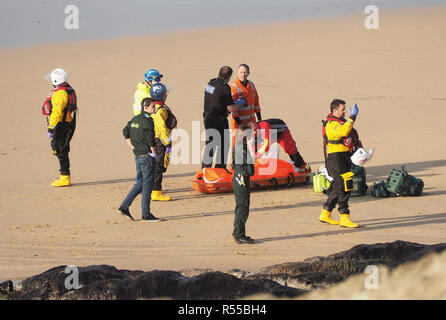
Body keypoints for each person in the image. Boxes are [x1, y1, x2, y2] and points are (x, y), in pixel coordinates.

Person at [319, 99, 360, 228]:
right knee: (344, 186)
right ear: (334, 110)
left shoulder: (340, 122)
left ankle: (325, 213)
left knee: (337, 188)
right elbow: (343, 132)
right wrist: (352, 117)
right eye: (342, 109)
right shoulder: (331, 124)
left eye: (345, 109)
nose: (344, 112)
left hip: (343, 157)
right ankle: (344, 216)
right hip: (335, 159)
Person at [119, 97, 159, 221]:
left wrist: (132, 147)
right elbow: (150, 139)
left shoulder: (135, 118)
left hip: (138, 155)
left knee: (141, 182)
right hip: (146, 156)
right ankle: (146, 214)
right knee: (147, 184)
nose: (154, 108)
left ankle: (124, 206)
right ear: (145, 107)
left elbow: (125, 132)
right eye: (153, 106)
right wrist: (154, 153)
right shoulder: (148, 121)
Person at [42, 68, 77, 187]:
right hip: (67, 123)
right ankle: (64, 175)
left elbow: (57, 112)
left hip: (61, 125)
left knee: (60, 150)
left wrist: (51, 128)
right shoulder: (67, 89)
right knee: (60, 149)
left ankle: (65, 177)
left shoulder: (60, 94)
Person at [202, 66, 240, 169]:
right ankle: (220, 169)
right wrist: (240, 104)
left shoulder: (210, 83)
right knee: (224, 145)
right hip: (219, 120)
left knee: (210, 146)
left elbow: (215, 98)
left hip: (207, 118)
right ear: (229, 76)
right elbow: (231, 108)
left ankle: (205, 169)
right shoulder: (225, 87)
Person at [150, 82, 175, 201]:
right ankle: (156, 192)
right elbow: (162, 128)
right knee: (159, 165)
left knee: (159, 165)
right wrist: (167, 142)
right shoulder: (159, 110)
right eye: (165, 93)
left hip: (156, 139)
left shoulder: (155, 106)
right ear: (160, 95)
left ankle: (151, 189)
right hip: (160, 140)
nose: (166, 95)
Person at [232, 125, 256, 244]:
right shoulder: (241, 148)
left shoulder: (241, 146)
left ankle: (239, 233)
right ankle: (238, 234)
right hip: (240, 178)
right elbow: (249, 165)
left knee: (243, 206)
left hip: (242, 177)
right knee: (242, 207)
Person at [230, 64, 261, 147]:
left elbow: (256, 102)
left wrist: (260, 119)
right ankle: (234, 160)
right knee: (237, 143)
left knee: (252, 143)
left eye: (245, 72)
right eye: (241, 72)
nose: (243, 75)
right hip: (239, 122)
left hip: (251, 121)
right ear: (237, 73)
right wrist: (240, 124)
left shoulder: (251, 85)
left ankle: (251, 159)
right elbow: (233, 109)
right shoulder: (233, 87)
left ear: (249, 73)